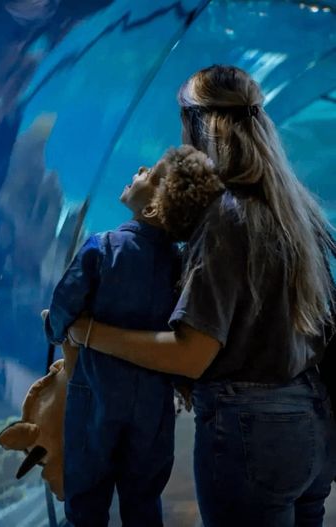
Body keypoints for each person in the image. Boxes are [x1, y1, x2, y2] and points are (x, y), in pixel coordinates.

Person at [68, 65, 336, 527]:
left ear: (198, 125)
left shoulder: (227, 216)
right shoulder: (298, 207)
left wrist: (87, 331)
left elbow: (191, 354)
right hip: (311, 422)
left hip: (252, 431)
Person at [45, 145, 224, 527]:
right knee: (143, 499)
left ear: (154, 208)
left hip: (95, 396)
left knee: (86, 498)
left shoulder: (102, 247)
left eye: (153, 174)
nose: (141, 169)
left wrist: (54, 329)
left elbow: (65, 303)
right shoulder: (181, 267)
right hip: (152, 406)